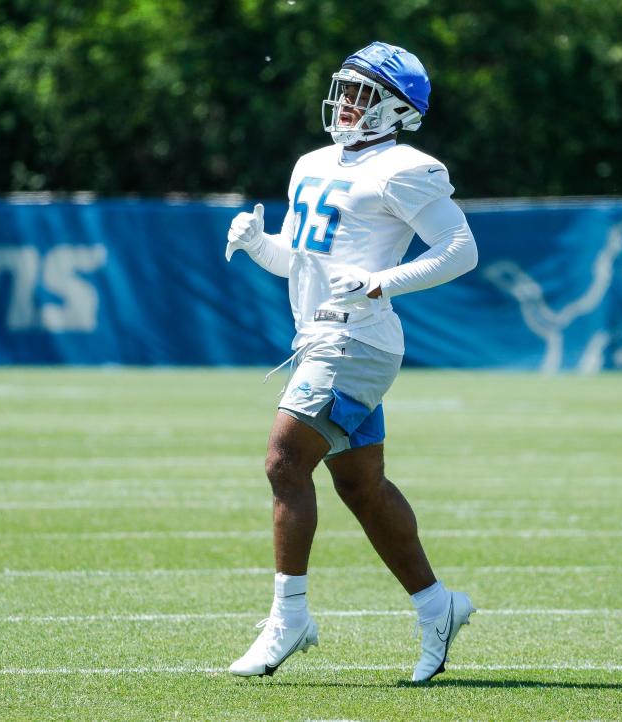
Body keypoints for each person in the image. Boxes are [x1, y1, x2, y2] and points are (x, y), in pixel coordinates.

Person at [224, 41, 479, 683]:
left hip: (358, 340)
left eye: (362, 93)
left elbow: (459, 249)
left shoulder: (405, 168)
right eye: (343, 88)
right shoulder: (312, 162)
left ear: (395, 109)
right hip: (318, 336)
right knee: (361, 487)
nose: (345, 102)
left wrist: (381, 282)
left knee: (285, 462)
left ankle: (290, 617)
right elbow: (303, 259)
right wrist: (259, 245)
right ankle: (436, 603)